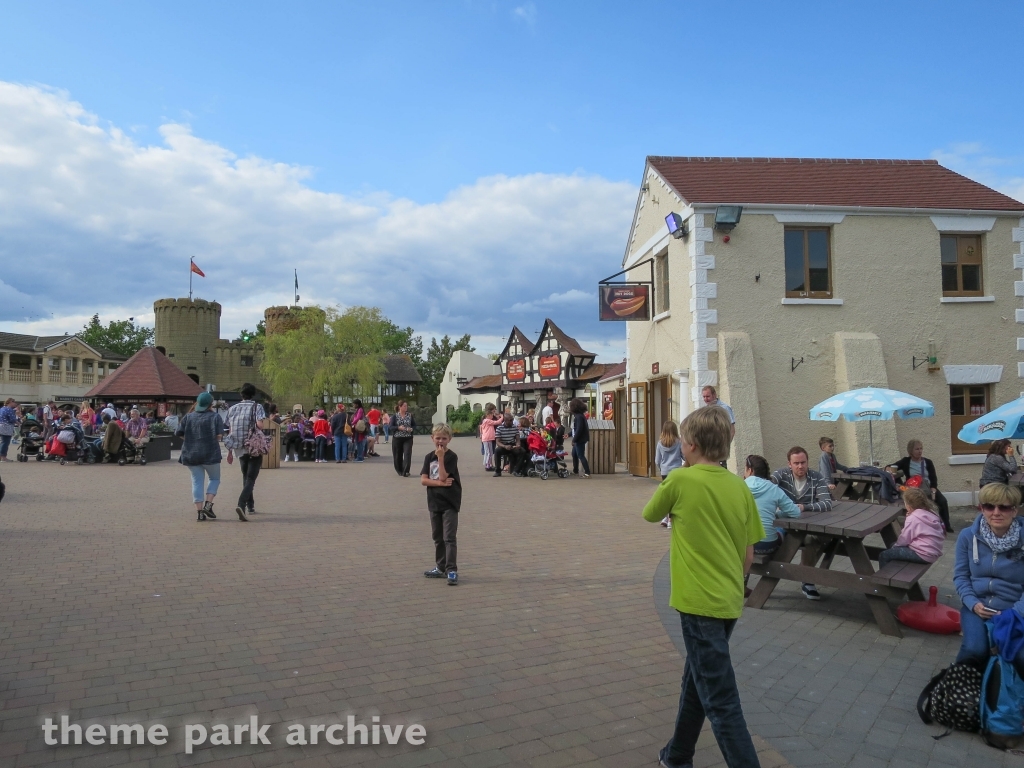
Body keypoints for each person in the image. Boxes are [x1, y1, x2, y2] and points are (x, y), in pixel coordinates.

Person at [642, 406, 763, 768]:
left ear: (690, 445)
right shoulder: (740, 486)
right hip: (728, 600)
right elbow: (748, 554)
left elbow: (650, 513)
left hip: (698, 603)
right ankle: (677, 755)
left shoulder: (680, 480)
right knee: (698, 681)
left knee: (721, 701)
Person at [953, 483, 1024, 675]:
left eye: (1004, 507)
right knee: (974, 651)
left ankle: (1009, 699)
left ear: (1015, 510)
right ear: (982, 509)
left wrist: (1014, 612)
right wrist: (973, 603)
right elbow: (961, 576)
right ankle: (959, 694)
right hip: (977, 606)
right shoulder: (967, 536)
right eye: (989, 506)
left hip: (1013, 611)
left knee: (1020, 657)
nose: (996, 512)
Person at [772, 446, 833, 600]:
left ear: (807, 462)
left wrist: (805, 507)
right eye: (796, 463)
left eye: (803, 462)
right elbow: (767, 486)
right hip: (783, 525)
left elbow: (827, 503)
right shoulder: (781, 474)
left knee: (820, 538)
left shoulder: (816, 477)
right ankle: (770, 575)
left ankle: (807, 579)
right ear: (789, 464)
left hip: (808, 525)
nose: (800, 466)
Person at [421, 423, 462, 586]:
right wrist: (438, 484)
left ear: (449, 439)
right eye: (437, 438)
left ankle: (451, 569)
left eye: (444, 438)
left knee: (449, 537)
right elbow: (424, 480)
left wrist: (440, 457)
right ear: (432, 438)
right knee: (437, 537)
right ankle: (440, 566)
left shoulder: (451, 456)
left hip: (450, 501)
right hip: (434, 501)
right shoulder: (428, 457)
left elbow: (444, 476)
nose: (440, 441)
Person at [176, 392, 225, 522]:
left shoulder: (188, 417)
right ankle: (208, 505)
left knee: (196, 482)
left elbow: (179, 433)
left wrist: (189, 439)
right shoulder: (215, 417)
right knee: (214, 479)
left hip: (191, 454)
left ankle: (199, 513)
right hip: (210, 454)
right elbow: (219, 436)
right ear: (210, 404)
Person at [889, 439, 953, 533]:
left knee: (942, 501)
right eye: (917, 449)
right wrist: (888, 468)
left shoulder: (928, 462)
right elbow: (892, 466)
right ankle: (924, 525)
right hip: (914, 489)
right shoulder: (906, 461)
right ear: (911, 451)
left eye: (921, 448)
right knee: (922, 503)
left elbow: (933, 479)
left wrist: (933, 491)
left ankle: (946, 525)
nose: (920, 451)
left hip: (928, 487)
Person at [224, 383, 266, 520]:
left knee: (245, 476)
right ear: (253, 394)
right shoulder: (257, 407)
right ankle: (241, 504)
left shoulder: (233, 409)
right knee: (251, 478)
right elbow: (260, 425)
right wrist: (253, 423)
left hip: (238, 446)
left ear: (241, 394)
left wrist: (230, 451)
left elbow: (230, 429)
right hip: (253, 445)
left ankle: (250, 505)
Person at [744, 454, 801, 556]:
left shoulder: (740, 487)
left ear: (750, 470)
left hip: (744, 546)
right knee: (781, 530)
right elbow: (796, 512)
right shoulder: (773, 488)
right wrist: (778, 514)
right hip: (767, 546)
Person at [878, 487, 945, 568]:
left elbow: (905, 538)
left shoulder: (913, 518)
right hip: (933, 552)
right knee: (892, 546)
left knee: (884, 555)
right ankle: (896, 573)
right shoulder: (931, 512)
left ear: (908, 505)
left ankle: (884, 578)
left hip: (922, 554)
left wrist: (895, 547)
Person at [656, 420, 684, 528]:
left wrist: (662, 468)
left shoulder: (660, 443)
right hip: (676, 470)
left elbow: (657, 460)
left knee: (667, 495)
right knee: (675, 496)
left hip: (665, 472)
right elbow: (684, 456)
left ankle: (665, 517)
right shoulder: (679, 442)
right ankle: (670, 520)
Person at [493, 412, 524, 477]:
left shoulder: (514, 427)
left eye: (512, 419)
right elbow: (498, 442)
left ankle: (516, 470)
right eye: (510, 420)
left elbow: (517, 438)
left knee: (522, 451)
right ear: (505, 420)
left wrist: (518, 444)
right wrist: (505, 446)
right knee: (497, 451)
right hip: (503, 445)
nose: (512, 421)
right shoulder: (499, 428)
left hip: (512, 445)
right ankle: (498, 471)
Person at [391, 400, 416, 477]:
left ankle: (406, 471)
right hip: (397, 438)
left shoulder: (409, 415)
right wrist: (398, 428)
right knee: (397, 455)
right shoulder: (395, 416)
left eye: (406, 406)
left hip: (407, 438)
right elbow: (391, 427)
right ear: (400, 407)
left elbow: (414, 425)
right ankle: (399, 470)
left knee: (407, 453)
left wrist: (411, 429)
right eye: (404, 406)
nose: (406, 407)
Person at [569, 398, 591, 478]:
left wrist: (574, 440)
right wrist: (569, 434)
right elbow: (575, 429)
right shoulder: (580, 416)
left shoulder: (578, 417)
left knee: (580, 455)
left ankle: (587, 472)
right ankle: (575, 470)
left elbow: (579, 429)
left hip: (580, 439)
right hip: (580, 438)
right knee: (574, 454)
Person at [478, 404, 502, 471]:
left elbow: (481, 426)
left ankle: (489, 464)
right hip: (488, 437)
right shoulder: (488, 419)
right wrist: (501, 417)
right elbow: (497, 422)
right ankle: (488, 465)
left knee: (490, 451)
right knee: (489, 452)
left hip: (490, 436)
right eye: (494, 409)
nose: (495, 410)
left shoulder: (489, 417)